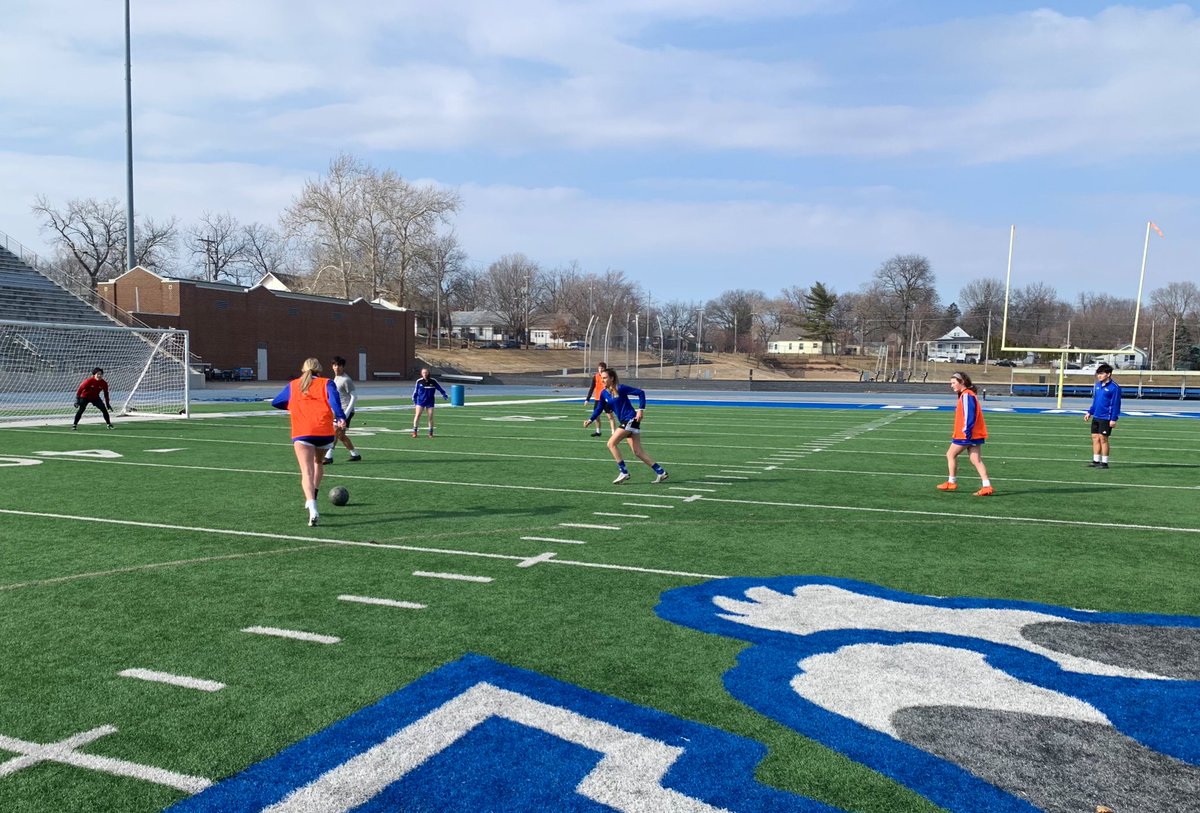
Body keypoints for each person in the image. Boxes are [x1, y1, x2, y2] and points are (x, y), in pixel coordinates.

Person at [271, 358, 347, 526]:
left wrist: (294, 405)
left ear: (303, 369)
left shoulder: (293, 385)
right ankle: (314, 495)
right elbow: (335, 402)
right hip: (324, 432)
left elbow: (276, 402)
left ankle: (312, 506)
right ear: (319, 370)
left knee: (306, 472)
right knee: (318, 462)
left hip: (302, 432)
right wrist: (341, 417)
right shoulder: (327, 382)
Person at [583, 369, 669, 484]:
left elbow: (640, 393)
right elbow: (599, 409)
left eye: (605, 378)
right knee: (638, 452)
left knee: (611, 443)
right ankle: (661, 472)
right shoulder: (604, 393)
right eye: (601, 378)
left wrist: (640, 410)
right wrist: (590, 419)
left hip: (631, 419)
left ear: (612, 378)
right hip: (626, 421)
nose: (602, 380)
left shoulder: (621, 388)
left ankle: (623, 472)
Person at [937, 371, 994, 496]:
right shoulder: (967, 395)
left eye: (953, 383)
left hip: (966, 435)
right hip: (974, 434)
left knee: (950, 454)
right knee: (976, 460)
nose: (951, 385)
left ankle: (952, 482)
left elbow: (969, 414)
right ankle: (987, 486)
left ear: (961, 382)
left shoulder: (967, 395)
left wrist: (966, 431)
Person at [322, 356, 361, 464]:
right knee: (341, 435)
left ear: (343, 367)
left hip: (345, 411)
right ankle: (355, 454)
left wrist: (346, 413)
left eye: (339, 365)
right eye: (335, 365)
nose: (337, 367)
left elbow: (354, 396)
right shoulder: (336, 378)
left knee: (335, 432)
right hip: (338, 411)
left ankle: (328, 457)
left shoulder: (346, 380)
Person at [1085, 362, 1121, 469]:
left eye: (1101, 373)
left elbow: (1116, 404)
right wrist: (1089, 412)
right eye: (1098, 374)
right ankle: (1096, 460)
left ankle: (1104, 462)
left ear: (1108, 374)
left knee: (1103, 439)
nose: (1099, 376)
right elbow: (1095, 401)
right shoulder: (1097, 386)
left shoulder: (1115, 388)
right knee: (1095, 438)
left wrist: (1113, 419)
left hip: (1106, 417)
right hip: (1096, 416)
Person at [412, 368, 448, 437]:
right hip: (420, 401)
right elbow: (415, 391)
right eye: (423, 373)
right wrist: (414, 399)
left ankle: (430, 432)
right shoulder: (419, 381)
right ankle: (415, 431)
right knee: (417, 415)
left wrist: (444, 394)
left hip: (430, 402)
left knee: (430, 417)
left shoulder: (433, 381)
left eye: (426, 372)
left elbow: (439, 388)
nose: (425, 374)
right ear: (421, 374)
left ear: (428, 373)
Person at [584, 361, 617, 437]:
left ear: (605, 369)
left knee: (610, 416)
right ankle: (598, 431)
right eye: (599, 368)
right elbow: (592, 388)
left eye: (602, 368)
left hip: (606, 399)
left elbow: (612, 386)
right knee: (596, 416)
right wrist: (587, 399)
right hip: (598, 399)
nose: (600, 369)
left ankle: (613, 432)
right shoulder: (595, 377)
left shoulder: (607, 377)